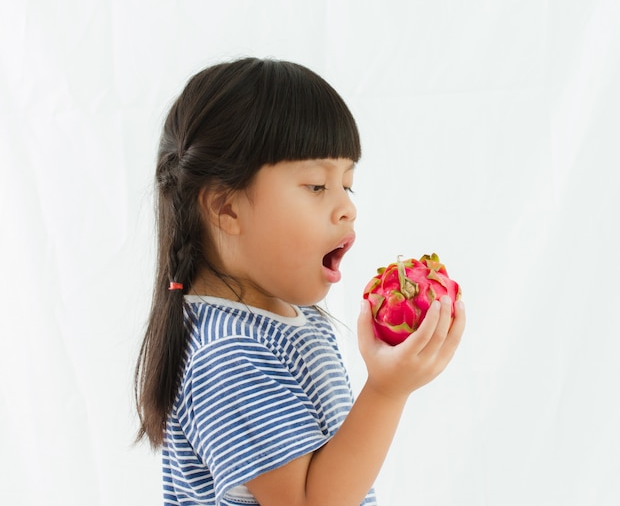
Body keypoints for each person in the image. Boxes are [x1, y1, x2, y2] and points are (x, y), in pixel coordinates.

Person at [134, 57, 465, 506]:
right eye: (317, 186)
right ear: (226, 208)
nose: (347, 208)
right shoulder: (230, 352)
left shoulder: (284, 320)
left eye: (347, 185)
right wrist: (387, 390)